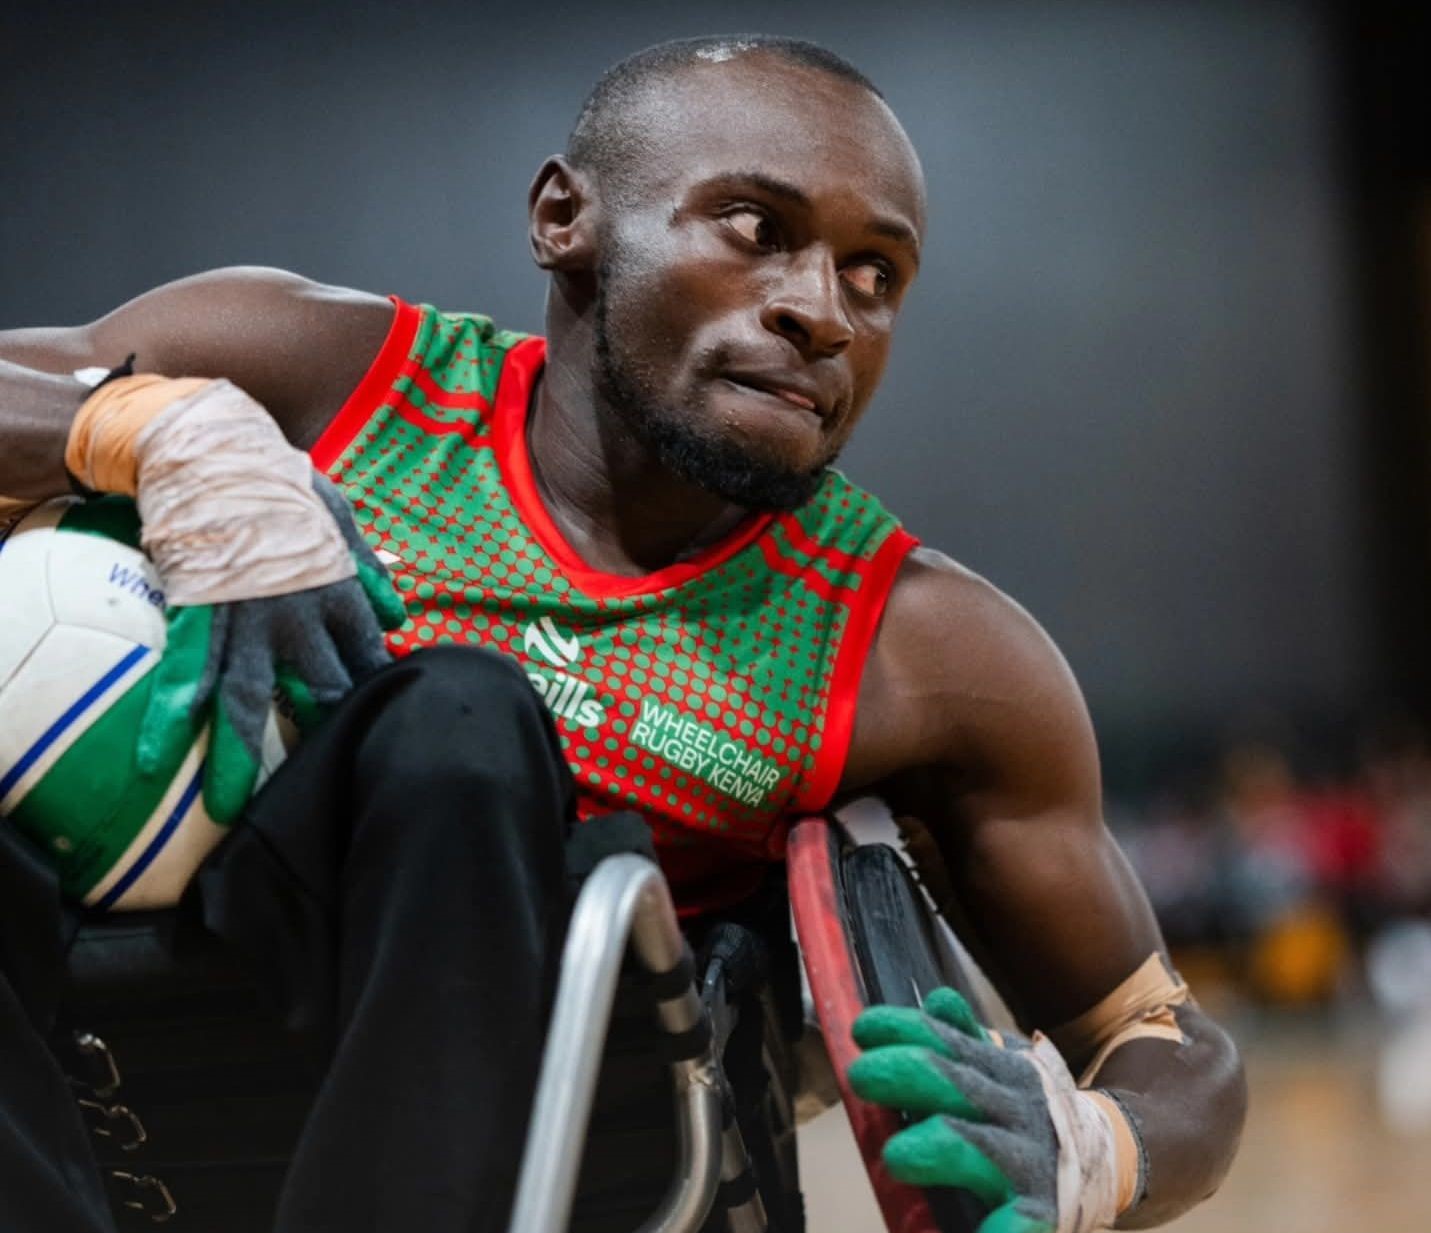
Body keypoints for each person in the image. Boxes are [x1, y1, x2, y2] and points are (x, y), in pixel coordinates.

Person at [0, 34, 1245, 1233]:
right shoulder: (326, 373)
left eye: (875, 275)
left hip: (545, 1143)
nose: (822, 310)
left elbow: (1171, 1048)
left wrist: (1099, 1145)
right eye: (756, 229)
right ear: (564, 220)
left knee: (463, 719)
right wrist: (153, 432)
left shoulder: (929, 655)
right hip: (118, 1058)